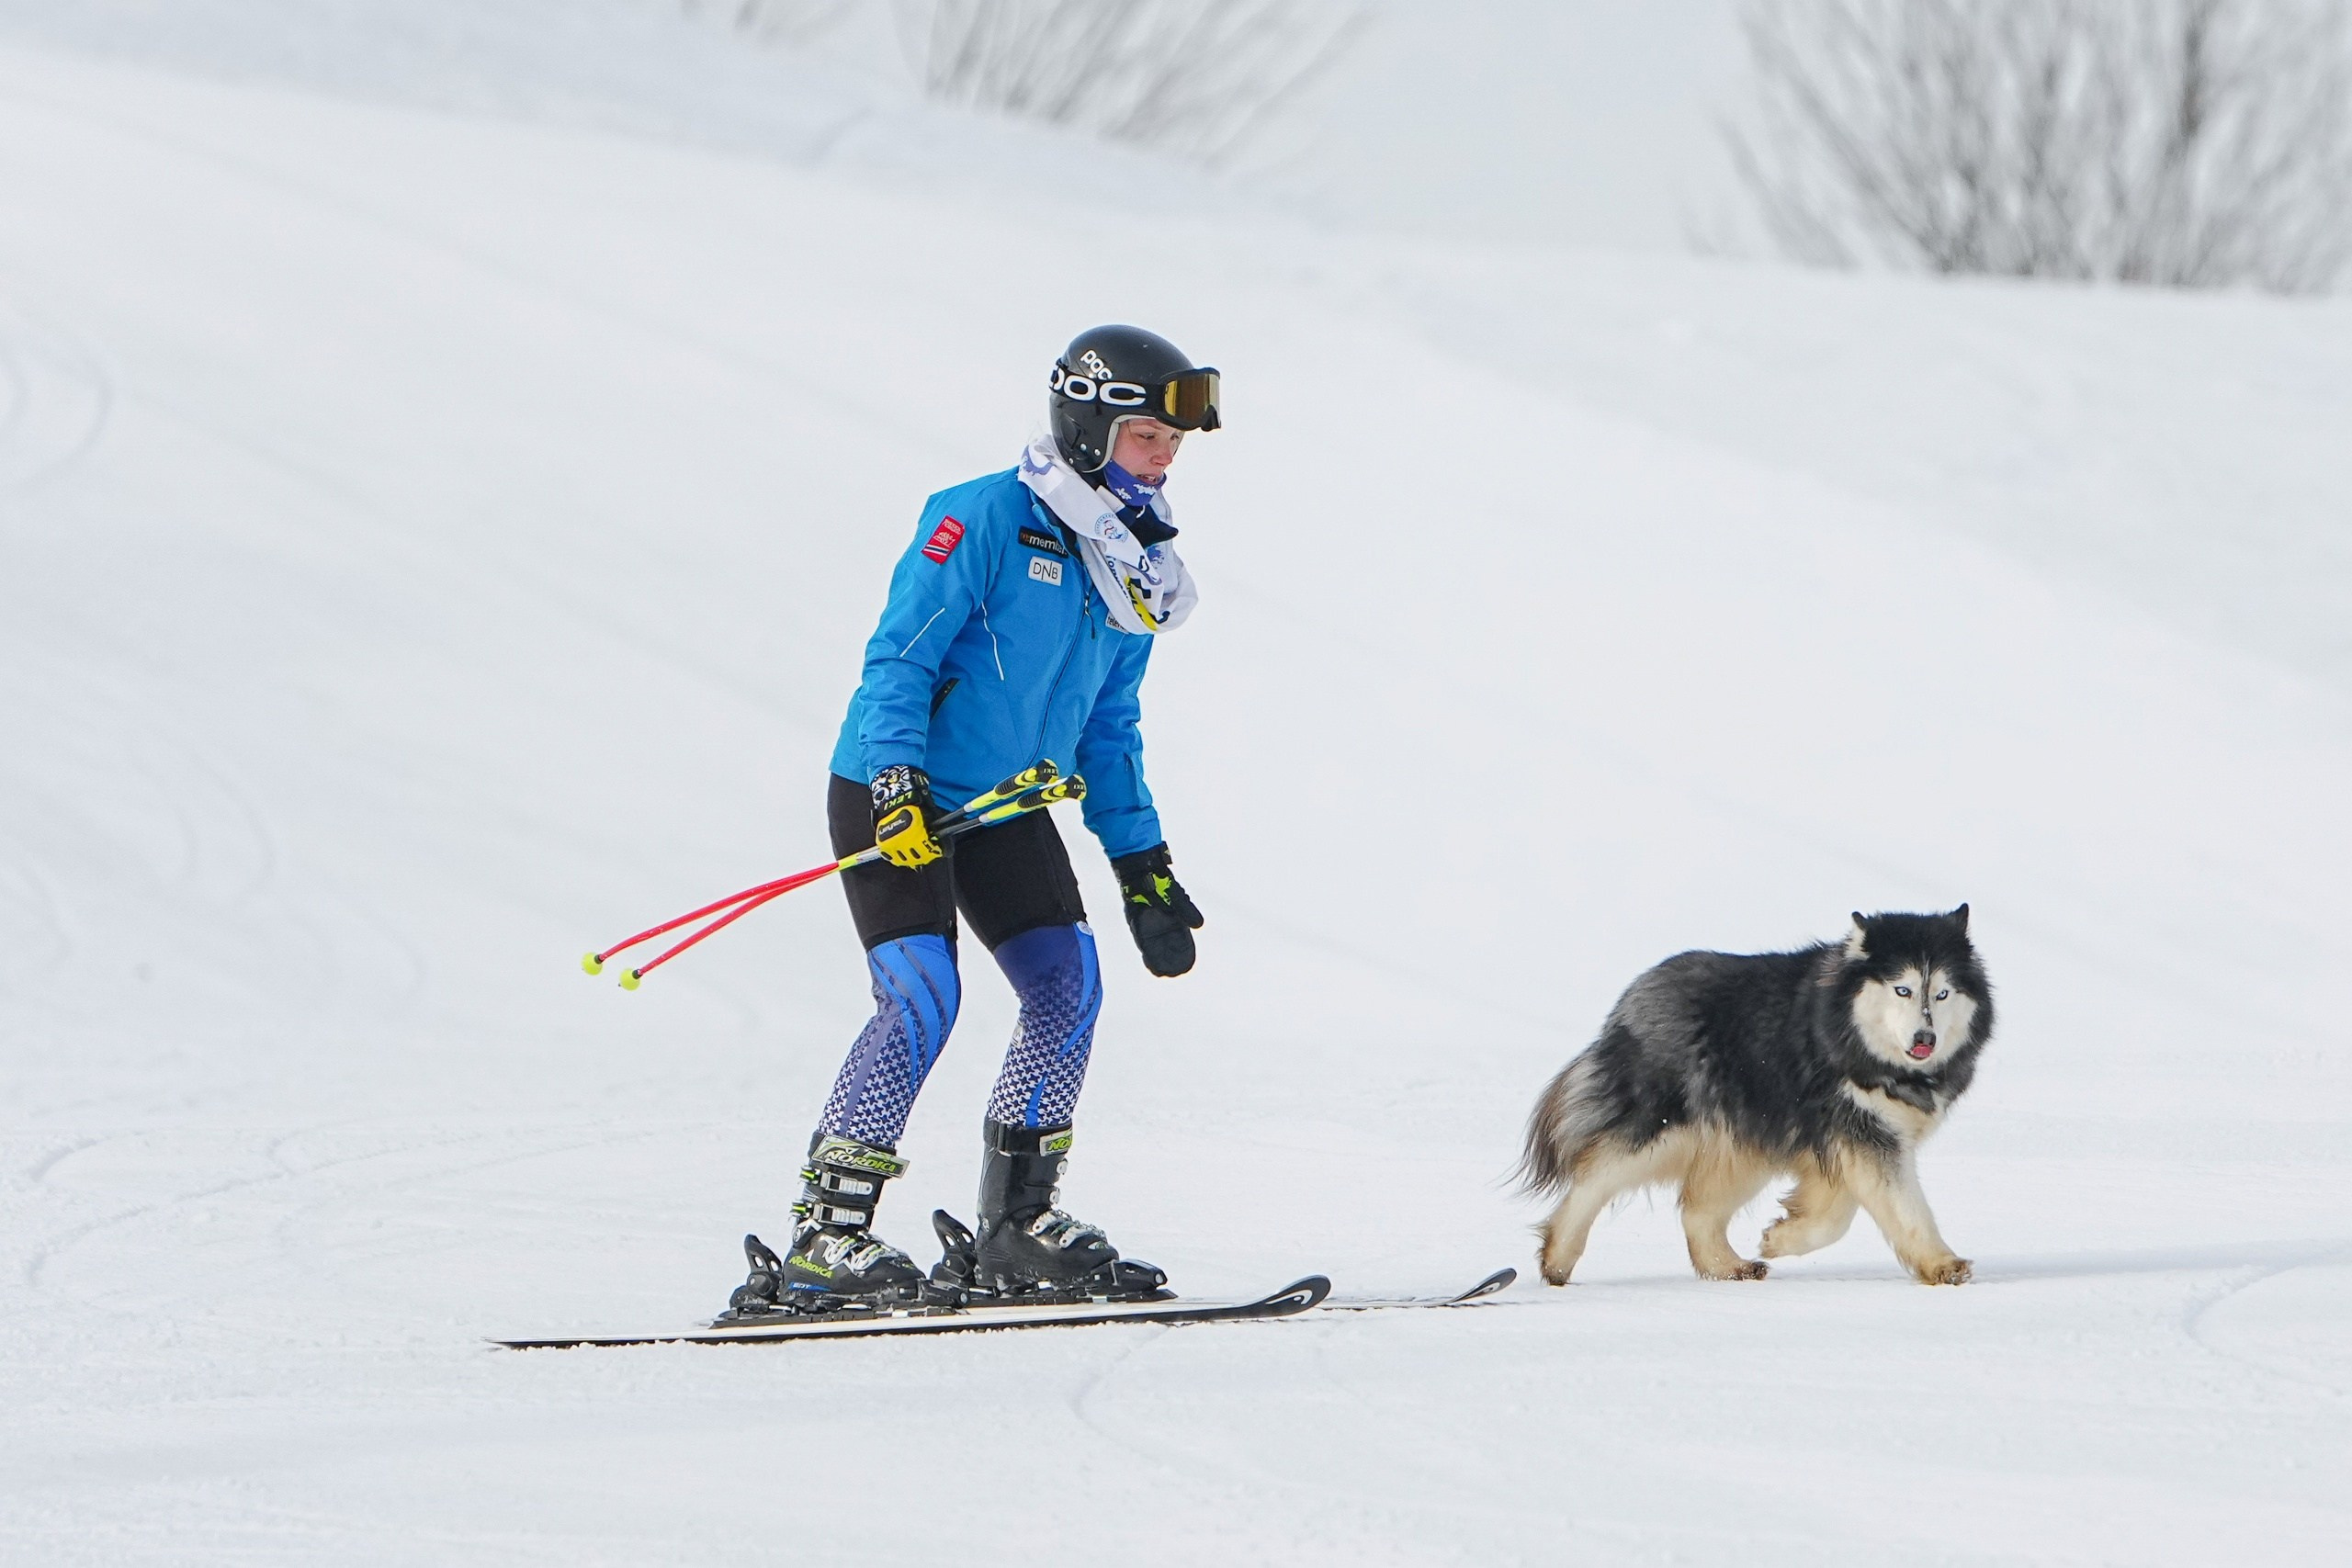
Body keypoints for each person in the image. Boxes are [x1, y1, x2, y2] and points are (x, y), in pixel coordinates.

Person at [743, 325, 1221, 1312]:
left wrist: (1144, 866)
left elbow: (1109, 727)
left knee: (1066, 987)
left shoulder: (1130, 565)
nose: (1166, 454)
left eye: (1172, 442)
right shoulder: (981, 519)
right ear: (1089, 427)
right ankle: (826, 1239)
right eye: (1146, 436)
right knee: (922, 998)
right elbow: (898, 661)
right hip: (901, 793)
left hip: (1004, 809)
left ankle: (1017, 1229)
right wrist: (894, 782)